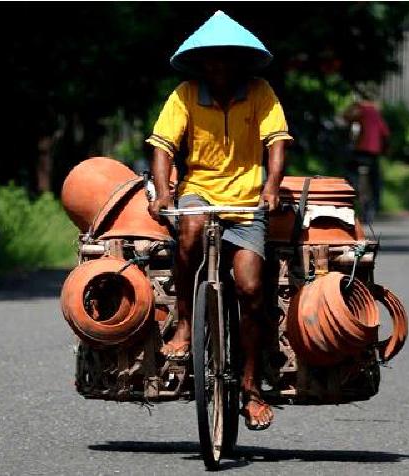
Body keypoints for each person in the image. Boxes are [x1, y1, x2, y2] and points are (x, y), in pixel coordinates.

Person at [146, 11, 293, 431]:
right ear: (201, 64)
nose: (219, 67)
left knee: (250, 289)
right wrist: (163, 192)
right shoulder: (185, 95)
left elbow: (277, 142)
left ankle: (249, 388)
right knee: (189, 230)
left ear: (240, 62)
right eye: (211, 60)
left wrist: (271, 186)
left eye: (227, 59)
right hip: (201, 193)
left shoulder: (262, 93)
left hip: (247, 200)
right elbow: (162, 147)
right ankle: (186, 322)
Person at [342, 96, 390, 224]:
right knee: (375, 181)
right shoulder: (376, 113)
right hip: (373, 153)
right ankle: (375, 204)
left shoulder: (360, 109)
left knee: (349, 171)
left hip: (360, 151)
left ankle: (351, 188)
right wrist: (385, 150)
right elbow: (385, 133)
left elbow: (346, 118)